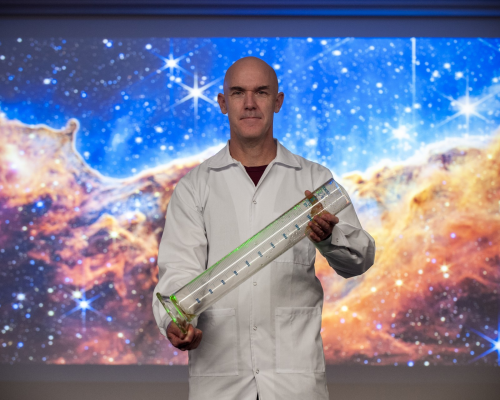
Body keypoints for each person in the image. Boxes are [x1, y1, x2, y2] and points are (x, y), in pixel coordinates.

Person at [153, 57, 375, 400]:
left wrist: (330, 238)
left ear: (278, 101)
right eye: (238, 93)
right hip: (221, 381)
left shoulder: (314, 180)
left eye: (261, 92)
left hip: (293, 381)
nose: (250, 103)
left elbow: (359, 260)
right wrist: (176, 322)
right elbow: (179, 269)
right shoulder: (195, 187)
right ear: (222, 103)